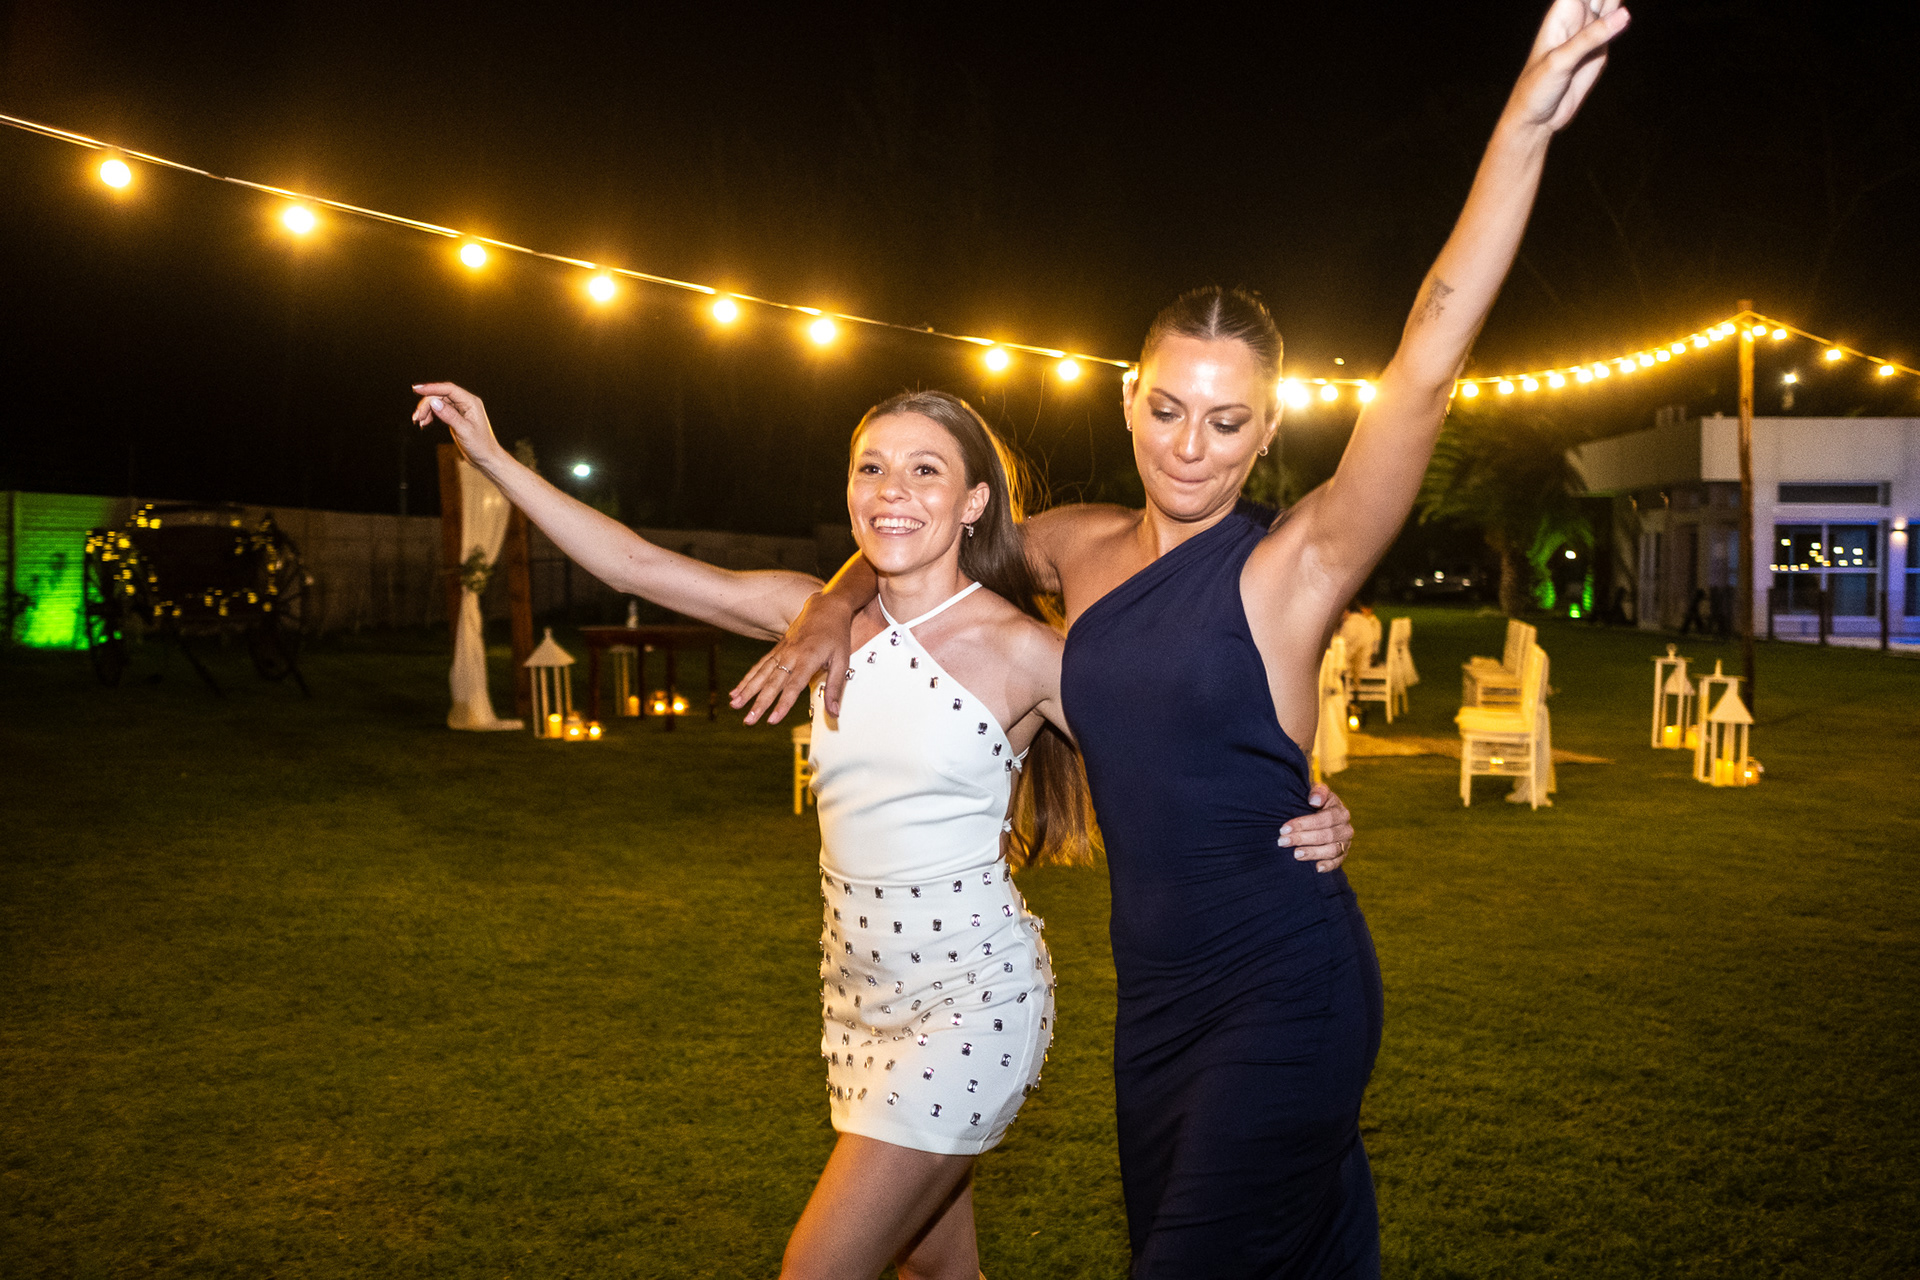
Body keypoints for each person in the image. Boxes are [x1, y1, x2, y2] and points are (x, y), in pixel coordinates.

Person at [733, 5, 1630, 1274]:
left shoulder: (1294, 566)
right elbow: (910, 541)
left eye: (1226, 420)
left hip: (1286, 984)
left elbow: (1428, 354)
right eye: (1167, 408)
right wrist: (830, 605)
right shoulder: (1073, 546)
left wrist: (1522, 125)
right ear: (1128, 399)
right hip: (1156, 1006)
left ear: (1269, 430)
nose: (1190, 446)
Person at [409, 383, 1357, 1279]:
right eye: (872, 468)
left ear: (974, 504)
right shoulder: (811, 618)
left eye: (924, 471)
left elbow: (1180, 757)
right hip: (856, 1000)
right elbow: (636, 564)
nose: (892, 491)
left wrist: (1306, 801)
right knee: (935, 1267)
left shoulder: (1027, 653)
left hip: (972, 1001)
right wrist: (491, 457)